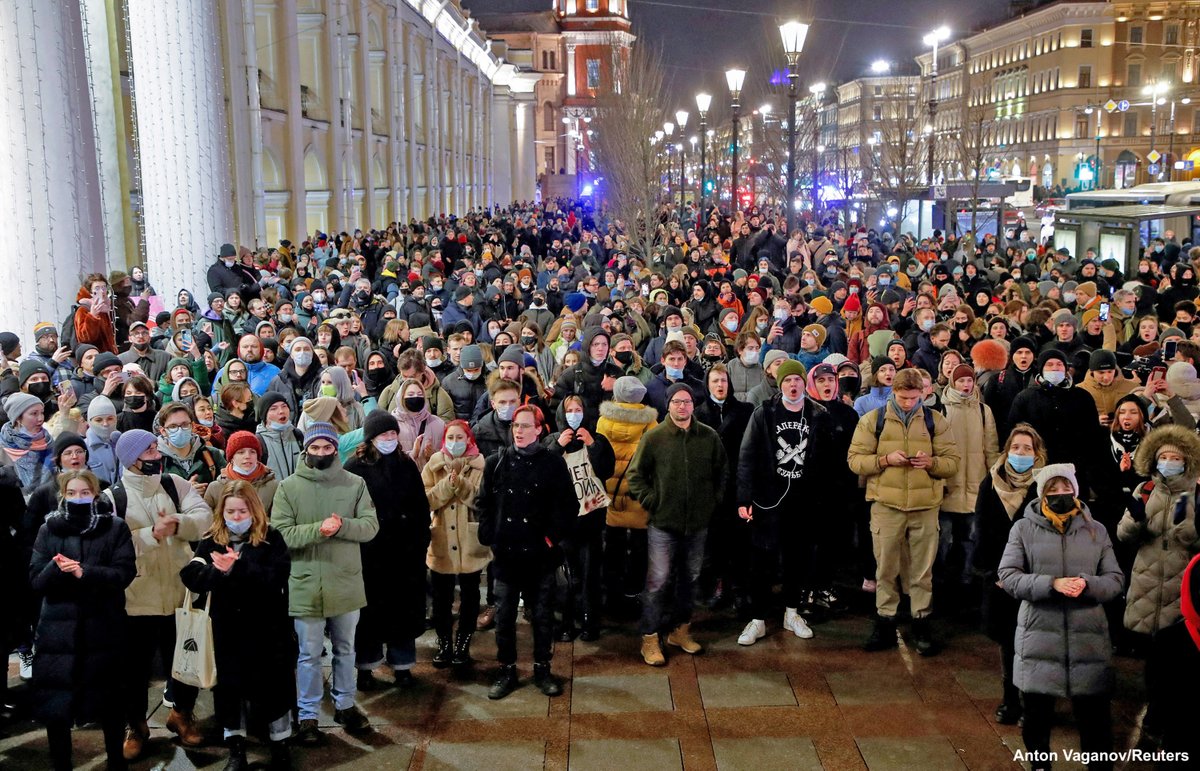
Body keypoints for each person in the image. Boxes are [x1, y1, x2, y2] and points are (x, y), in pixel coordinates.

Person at [998, 463, 1124, 771]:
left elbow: (1116, 579)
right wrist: (1050, 584)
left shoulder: (1097, 530)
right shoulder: (1023, 529)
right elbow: (1008, 576)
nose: (1060, 494)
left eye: (1065, 488)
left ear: (1076, 490)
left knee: (1094, 720)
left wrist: (1088, 584)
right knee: (1037, 720)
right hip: (1039, 636)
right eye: (1052, 490)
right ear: (1042, 494)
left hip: (1088, 640)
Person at [107, 428, 213, 759]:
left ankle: (181, 715)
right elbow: (113, 543)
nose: (157, 454)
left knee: (186, 662)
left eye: (156, 448)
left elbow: (205, 518)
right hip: (138, 599)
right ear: (131, 459)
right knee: (133, 671)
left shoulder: (174, 484)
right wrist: (152, 534)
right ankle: (136, 726)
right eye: (149, 450)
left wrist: (178, 523)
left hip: (180, 594)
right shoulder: (114, 497)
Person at [271, 421, 379, 745]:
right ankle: (308, 714)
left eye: (327, 447)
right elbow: (281, 534)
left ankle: (345, 704)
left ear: (335, 448)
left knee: (346, 649)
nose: (321, 453)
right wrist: (319, 529)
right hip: (305, 582)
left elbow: (370, 526)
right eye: (315, 448)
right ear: (307, 451)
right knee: (309, 653)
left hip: (345, 580)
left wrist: (342, 525)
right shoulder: (288, 487)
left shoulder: (355, 483)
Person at [180, 481, 294, 770]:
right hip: (227, 630)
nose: (237, 516)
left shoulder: (272, 539)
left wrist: (238, 567)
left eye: (242, 510)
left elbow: (277, 577)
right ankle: (236, 746)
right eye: (231, 510)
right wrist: (215, 571)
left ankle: (280, 744)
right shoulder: (212, 540)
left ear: (254, 510)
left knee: (273, 688)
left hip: (267, 630)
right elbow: (191, 574)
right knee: (230, 690)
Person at [848, 367, 961, 656]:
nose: (909, 403)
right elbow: (855, 460)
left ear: (923, 393)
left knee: (922, 571)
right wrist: (885, 459)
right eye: (903, 397)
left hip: (925, 506)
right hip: (886, 505)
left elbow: (952, 462)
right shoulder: (874, 421)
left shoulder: (936, 422)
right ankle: (885, 620)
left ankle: (921, 620)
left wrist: (932, 463)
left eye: (914, 397)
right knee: (885, 567)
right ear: (893, 394)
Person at [29, 470, 135, 771]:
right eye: (72, 494)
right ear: (63, 496)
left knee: (110, 703)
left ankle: (116, 762)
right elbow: (36, 580)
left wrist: (85, 572)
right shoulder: (48, 530)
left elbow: (124, 573)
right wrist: (55, 568)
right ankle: (61, 763)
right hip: (57, 633)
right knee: (57, 705)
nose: (79, 499)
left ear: (96, 495)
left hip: (103, 628)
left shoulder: (115, 528)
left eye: (85, 493)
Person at [476, 404, 576, 700]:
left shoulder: (552, 463)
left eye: (525, 426)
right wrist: (490, 534)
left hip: (540, 555)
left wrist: (550, 538)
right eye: (516, 426)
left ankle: (542, 669)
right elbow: (484, 502)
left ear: (539, 429)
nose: (518, 431)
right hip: (506, 555)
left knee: (543, 616)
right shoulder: (497, 462)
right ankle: (506, 669)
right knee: (505, 616)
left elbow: (568, 507)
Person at [627, 383, 727, 666]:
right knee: (657, 583)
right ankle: (649, 637)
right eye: (676, 402)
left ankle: (680, 631)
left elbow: (722, 472)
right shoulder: (655, 437)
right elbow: (636, 475)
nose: (681, 406)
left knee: (690, 580)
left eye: (686, 402)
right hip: (663, 524)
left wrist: (711, 501)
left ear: (693, 405)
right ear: (668, 405)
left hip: (697, 524)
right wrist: (652, 500)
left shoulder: (708, 437)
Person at [735, 359, 834, 645]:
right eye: (788, 381)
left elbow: (827, 463)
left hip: (803, 501)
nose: (793, 385)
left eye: (797, 381)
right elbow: (747, 456)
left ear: (805, 383)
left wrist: (821, 499)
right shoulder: (764, 413)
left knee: (797, 559)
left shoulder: (818, 414)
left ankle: (792, 612)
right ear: (780, 384)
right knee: (762, 561)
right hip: (768, 499)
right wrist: (744, 496)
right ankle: (758, 619)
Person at [1117, 424, 1200, 738]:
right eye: (1163, 456)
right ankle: (1154, 714)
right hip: (1148, 584)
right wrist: (1136, 521)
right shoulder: (1146, 490)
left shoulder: (1197, 495)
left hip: (1183, 586)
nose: (1169, 462)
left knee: (1180, 661)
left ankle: (1171, 716)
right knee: (1153, 661)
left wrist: (1185, 527)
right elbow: (1123, 535)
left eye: (1175, 457)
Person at [344, 411, 431, 690]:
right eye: (385, 435)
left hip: (403, 554)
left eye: (393, 434)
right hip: (370, 554)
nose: (390, 439)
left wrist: (420, 541)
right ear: (371, 438)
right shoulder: (355, 467)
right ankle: (366, 667)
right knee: (368, 616)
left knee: (402, 613)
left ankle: (402, 665)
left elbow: (420, 506)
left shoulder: (406, 465)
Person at [974, 424, 1047, 726]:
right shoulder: (989, 484)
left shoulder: (1045, 486)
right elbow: (982, 532)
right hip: (1000, 578)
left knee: (1035, 643)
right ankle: (1010, 698)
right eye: (1015, 447)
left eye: (1027, 449)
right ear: (1006, 451)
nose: (1020, 453)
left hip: (1034, 579)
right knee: (1008, 641)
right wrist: (994, 573)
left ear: (1037, 454)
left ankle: (1035, 701)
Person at [545, 394, 616, 641]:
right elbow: (543, 473)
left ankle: (589, 620)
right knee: (566, 576)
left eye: (578, 409)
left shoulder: (598, 440)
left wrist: (593, 446)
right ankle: (566, 620)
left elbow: (607, 470)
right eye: (569, 410)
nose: (574, 414)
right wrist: (556, 447)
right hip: (563, 523)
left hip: (591, 521)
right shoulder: (552, 441)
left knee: (590, 574)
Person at [423, 420, 490, 670]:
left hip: (470, 541)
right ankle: (444, 643)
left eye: (459, 437)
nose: (455, 442)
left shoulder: (481, 465)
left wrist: (461, 486)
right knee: (441, 598)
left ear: (469, 439)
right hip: (441, 541)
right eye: (450, 438)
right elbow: (426, 500)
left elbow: (483, 501)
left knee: (471, 596)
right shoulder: (434, 465)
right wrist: (446, 485)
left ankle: (463, 642)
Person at [937, 363, 1000, 608]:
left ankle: (965, 586)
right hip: (947, 488)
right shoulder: (941, 410)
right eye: (961, 381)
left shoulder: (984, 411)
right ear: (952, 382)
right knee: (943, 541)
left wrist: (992, 482)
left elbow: (991, 450)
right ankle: (941, 585)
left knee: (970, 541)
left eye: (969, 381)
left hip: (975, 487)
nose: (966, 385)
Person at [596, 375, 657, 619]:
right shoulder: (649, 423)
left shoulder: (603, 420)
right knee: (640, 547)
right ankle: (633, 592)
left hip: (611, 495)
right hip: (637, 493)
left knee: (613, 546)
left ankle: (612, 594)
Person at [203, 430, 279, 516]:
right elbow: (207, 521)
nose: (247, 456)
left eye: (252, 452)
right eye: (241, 452)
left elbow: (278, 520)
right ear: (232, 458)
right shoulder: (215, 488)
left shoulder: (273, 486)